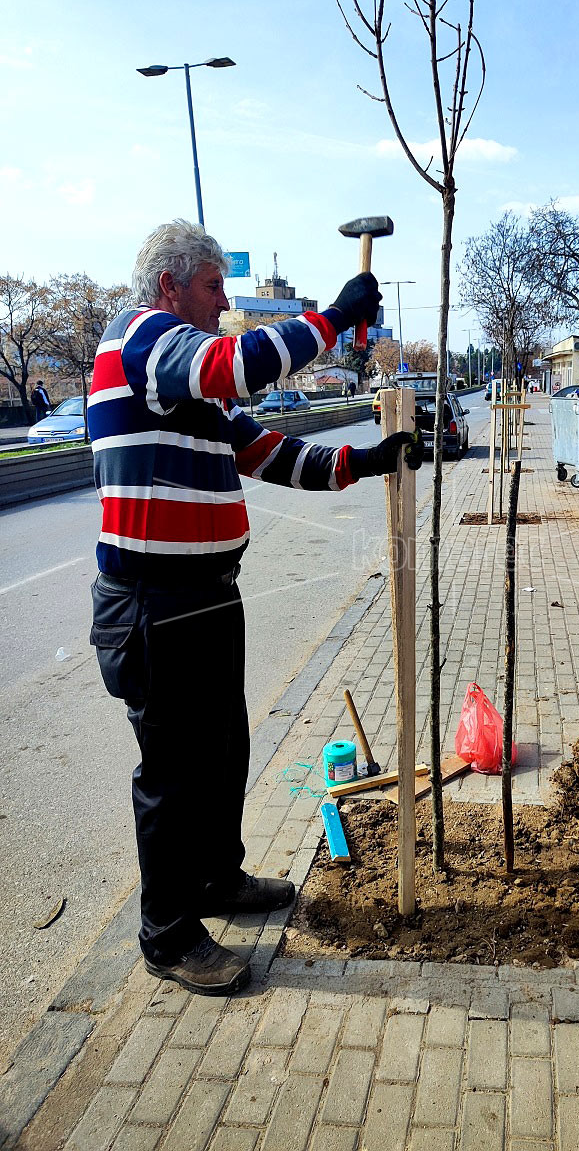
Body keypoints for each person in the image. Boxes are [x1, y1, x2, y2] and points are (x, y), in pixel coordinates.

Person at [88, 220, 422, 997]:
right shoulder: (146, 341)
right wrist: (334, 318)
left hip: (204, 597)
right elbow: (238, 365)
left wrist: (364, 462)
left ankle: (215, 880)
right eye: (214, 286)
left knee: (222, 750)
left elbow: (270, 451)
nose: (225, 300)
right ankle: (167, 935)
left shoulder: (187, 383)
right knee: (173, 773)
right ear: (170, 286)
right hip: (153, 601)